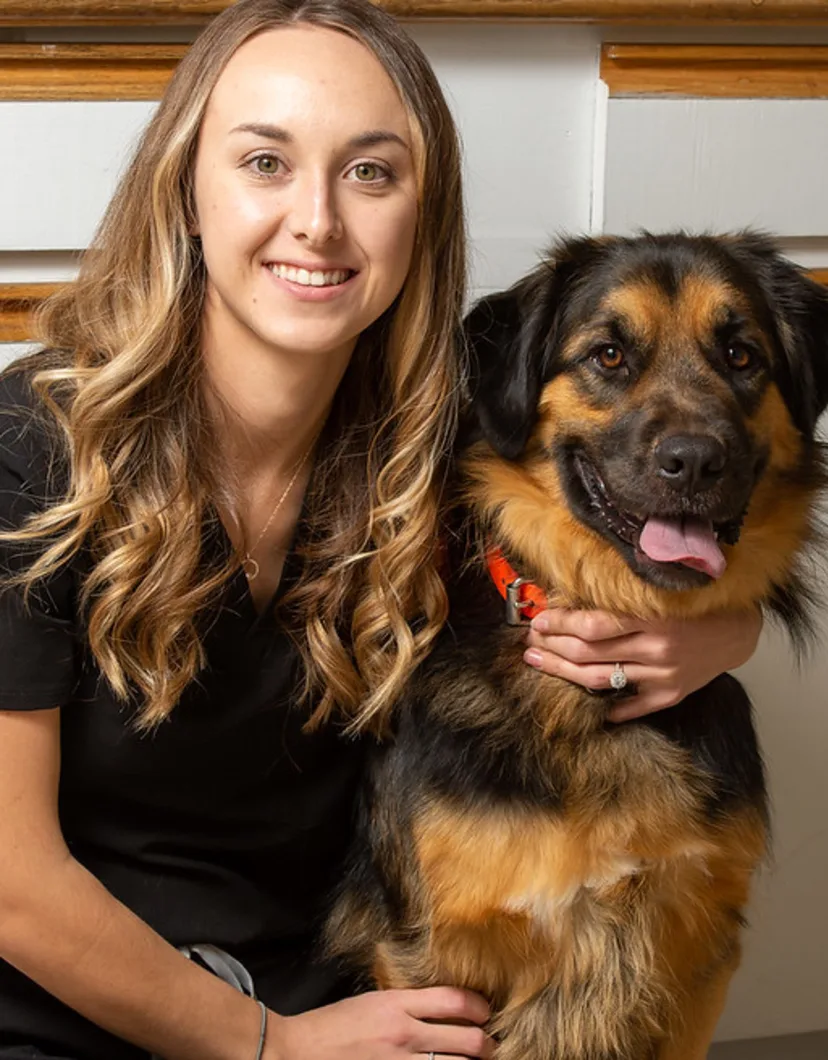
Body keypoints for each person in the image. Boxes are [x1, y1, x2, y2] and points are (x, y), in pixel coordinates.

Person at [0, 1, 762, 1057]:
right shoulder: (34, 450)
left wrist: (721, 630)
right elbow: (9, 882)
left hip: (340, 993)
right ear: (185, 191)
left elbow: (637, 536)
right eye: (265, 161)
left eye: (371, 172)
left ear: (422, 211)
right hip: (78, 1015)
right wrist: (266, 1044)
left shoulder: (442, 440)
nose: (317, 219)